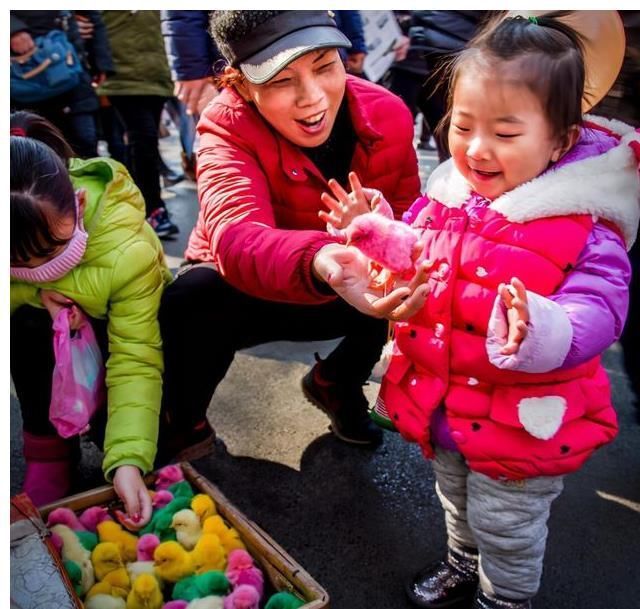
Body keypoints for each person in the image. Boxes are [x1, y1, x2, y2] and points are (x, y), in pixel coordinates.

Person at [321, 12, 639, 609]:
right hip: (448, 401)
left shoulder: (584, 224)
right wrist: (370, 229)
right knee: (455, 497)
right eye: (463, 127)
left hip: (520, 421)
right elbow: (413, 249)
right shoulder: (449, 196)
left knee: (509, 528)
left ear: (561, 139)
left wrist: (546, 328)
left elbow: (599, 308)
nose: (477, 148)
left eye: (506, 132)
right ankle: (461, 563)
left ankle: (505, 599)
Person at [156, 10, 425, 464]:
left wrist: (385, 245)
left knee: (410, 278)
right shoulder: (223, 124)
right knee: (191, 296)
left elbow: (409, 221)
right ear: (240, 85)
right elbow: (236, 235)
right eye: (281, 80)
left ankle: (337, 381)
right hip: (249, 292)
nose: (312, 98)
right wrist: (324, 258)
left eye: (325, 66)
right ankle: (184, 422)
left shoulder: (389, 113)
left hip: (351, 292)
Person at [10, 111, 172, 526]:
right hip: (62, 347)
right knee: (25, 320)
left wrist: (128, 459)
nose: (39, 268)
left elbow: (136, 356)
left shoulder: (126, 250)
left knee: (123, 444)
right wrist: (35, 294)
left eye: (50, 252)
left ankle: (114, 434)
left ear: (79, 204)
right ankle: (49, 450)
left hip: (124, 338)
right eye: (17, 262)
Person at [97, 10, 179, 238]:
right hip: (121, 79)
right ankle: (152, 209)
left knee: (145, 144)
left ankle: (144, 207)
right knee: (143, 142)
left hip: (157, 78)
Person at [10, 10, 113, 158]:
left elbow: (93, 18)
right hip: (27, 79)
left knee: (86, 139)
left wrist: (102, 64)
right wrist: (13, 30)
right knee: (39, 148)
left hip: (74, 71)